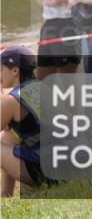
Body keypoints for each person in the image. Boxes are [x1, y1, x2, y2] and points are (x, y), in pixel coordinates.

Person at [1, 46, 48, 196]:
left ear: (15, 71)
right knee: (8, 136)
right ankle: (6, 194)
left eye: (0, 69)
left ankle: (6, 195)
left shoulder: (11, 101)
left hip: (50, 175)